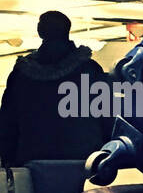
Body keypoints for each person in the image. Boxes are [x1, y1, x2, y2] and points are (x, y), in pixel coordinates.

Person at [0, 11, 111, 165]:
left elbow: (7, 124)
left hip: (32, 161)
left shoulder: (21, 75)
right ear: (67, 31)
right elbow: (107, 118)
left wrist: (8, 162)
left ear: (40, 32)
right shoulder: (90, 71)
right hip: (84, 160)